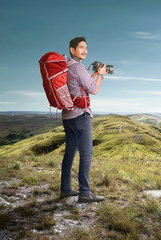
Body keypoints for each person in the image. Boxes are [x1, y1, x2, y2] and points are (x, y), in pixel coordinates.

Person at [60, 37, 107, 203]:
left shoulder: (67, 66)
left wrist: (93, 73)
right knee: (86, 154)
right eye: (81, 47)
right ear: (72, 50)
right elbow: (93, 89)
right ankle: (85, 193)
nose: (85, 51)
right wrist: (101, 76)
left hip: (68, 116)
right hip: (81, 116)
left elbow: (82, 84)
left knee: (70, 153)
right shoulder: (78, 67)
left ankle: (65, 189)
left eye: (86, 47)